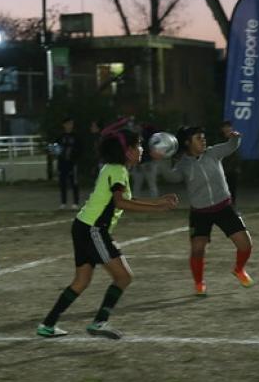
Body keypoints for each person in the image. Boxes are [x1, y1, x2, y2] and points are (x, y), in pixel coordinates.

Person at [37, 124, 179, 339]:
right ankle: (99, 322)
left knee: (81, 281)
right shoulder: (117, 170)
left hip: (83, 226)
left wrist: (157, 201)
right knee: (124, 277)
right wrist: (158, 208)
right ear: (128, 151)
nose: (141, 149)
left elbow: (125, 200)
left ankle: (47, 325)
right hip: (93, 229)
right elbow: (121, 203)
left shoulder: (114, 168)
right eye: (138, 145)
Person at [157, 126, 253, 297]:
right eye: (199, 138)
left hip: (224, 207)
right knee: (197, 250)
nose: (203, 140)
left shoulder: (213, 153)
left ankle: (239, 270)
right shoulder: (183, 165)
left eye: (204, 137)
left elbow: (231, 146)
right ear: (188, 142)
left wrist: (235, 138)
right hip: (200, 213)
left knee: (246, 244)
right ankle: (199, 283)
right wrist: (163, 159)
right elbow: (172, 177)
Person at [55, 117, 80, 210]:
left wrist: (75, 158)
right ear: (64, 125)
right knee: (62, 183)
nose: (70, 126)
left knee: (74, 182)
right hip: (62, 163)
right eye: (68, 124)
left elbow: (80, 149)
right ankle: (63, 202)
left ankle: (75, 202)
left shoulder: (76, 136)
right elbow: (56, 149)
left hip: (72, 163)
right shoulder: (60, 137)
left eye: (71, 124)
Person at [132, 123, 160, 198]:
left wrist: (150, 161)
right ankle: (135, 201)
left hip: (149, 163)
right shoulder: (134, 139)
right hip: (139, 164)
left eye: (138, 127)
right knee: (137, 184)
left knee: (151, 184)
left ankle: (154, 201)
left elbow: (151, 151)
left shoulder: (148, 137)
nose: (136, 128)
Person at [221, 121, 241, 204]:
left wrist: (237, 167)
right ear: (222, 129)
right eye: (226, 127)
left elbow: (237, 154)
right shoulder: (220, 140)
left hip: (233, 170)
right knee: (222, 191)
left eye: (229, 127)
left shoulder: (234, 139)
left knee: (232, 191)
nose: (228, 129)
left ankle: (232, 208)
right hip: (222, 170)